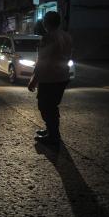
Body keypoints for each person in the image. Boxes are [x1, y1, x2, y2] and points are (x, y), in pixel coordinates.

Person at [28, 11, 72, 144]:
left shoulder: (48, 38)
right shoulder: (67, 36)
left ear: (46, 23)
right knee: (52, 106)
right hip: (62, 77)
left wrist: (33, 80)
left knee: (45, 106)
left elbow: (42, 60)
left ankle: (53, 136)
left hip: (49, 78)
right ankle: (51, 131)